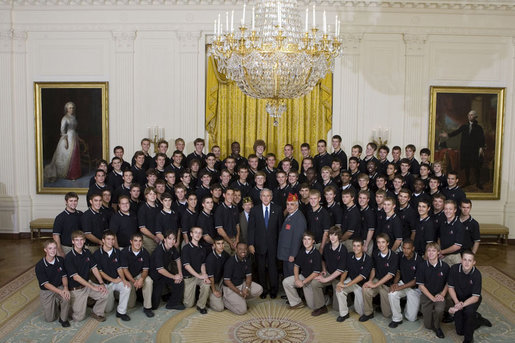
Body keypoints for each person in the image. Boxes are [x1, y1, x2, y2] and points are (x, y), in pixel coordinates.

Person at [64, 230, 108, 322]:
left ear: (84, 241)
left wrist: (101, 283)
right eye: (77, 240)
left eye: (81, 240)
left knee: (105, 293)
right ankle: (66, 307)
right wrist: (93, 287)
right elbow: (76, 277)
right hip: (76, 289)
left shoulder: (87, 252)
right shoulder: (69, 257)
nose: (79, 242)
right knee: (78, 318)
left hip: (87, 284)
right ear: (73, 241)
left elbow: (94, 268)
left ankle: (97, 312)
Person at [248, 189, 283, 299]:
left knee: (273, 269)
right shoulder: (254, 210)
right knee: (261, 269)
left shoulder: (278, 209)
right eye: (263, 196)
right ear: (260, 197)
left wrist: (280, 246)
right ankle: (263, 290)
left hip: (274, 245)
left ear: (271, 197)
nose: (266, 198)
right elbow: (251, 229)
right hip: (259, 245)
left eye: (268, 196)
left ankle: (273, 290)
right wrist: (250, 244)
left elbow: (280, 230)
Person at [282, 232, 327, 316]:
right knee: (286, 282)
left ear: (313, 241)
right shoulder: (302, 251)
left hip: (311, 279)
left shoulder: (316, 254)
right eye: (305, 239)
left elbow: (315, 273)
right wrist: (296, 279)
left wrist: (303, 282)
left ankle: (326, 299)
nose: (306, 241)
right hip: (303, 276)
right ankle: (296, 303)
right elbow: (296, 266)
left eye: (309, 239)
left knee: (312, 306)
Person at [442, 110, 486, 189]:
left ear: (475, 117)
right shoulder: (464, 126)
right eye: (469, 115)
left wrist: (481, 148)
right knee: (466, 166)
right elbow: (457, 132)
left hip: (474, 150)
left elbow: (482, 138)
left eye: (472, 115)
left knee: (476, 166)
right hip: (465, 150)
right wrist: (448, 135)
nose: (470, 116)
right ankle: (467, 181)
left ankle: (478, 183)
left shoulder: (479, 128)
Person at [93, 231, 132, 321]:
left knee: (127, 287)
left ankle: (121, 312)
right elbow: (100, 272)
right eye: (108, 239)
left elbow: (119, 268)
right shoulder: (97, 254)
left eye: (112, 239)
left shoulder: (118, 252)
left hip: (116, 280)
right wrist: (112, 280)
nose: (111, 241)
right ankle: (110, 299)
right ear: (103, 240)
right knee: (108, 310)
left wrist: (123, 279)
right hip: (105, 283)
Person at [360, 233, 398, 322]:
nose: (381, 245)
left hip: (387, 284)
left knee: (387, 315)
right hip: (377, 280)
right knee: (365, 288)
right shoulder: (375, 253)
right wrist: (370, 281)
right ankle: (368, 313)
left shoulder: (394, 256)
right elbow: (373, 268)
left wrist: (375, 285)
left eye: (383, 242)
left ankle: (384, 307)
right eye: (378, 242)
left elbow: (390, 275)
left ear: (388, 243)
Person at [448, 251, 484, 343]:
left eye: (470, 260)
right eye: (465, 260)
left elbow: (475, 297)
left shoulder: (477, 274)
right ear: (461, 260)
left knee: (468, 313)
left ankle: (469, 339)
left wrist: (460, 306)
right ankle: (476, 318)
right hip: (458, 298)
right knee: (460, 331)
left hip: (471, 299)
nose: (467, 263)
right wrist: (456, 302)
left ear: (474, 262)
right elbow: (450, 287)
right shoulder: (454, 269)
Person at [416, 242, 450, 339]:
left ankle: (438, 327)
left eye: (434, 251)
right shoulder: (422, 266)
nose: (431, 253)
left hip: (439, 294)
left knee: (439, 310)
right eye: (429, 251)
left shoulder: (445, 266)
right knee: (428, 325)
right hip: (427, 295)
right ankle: (436, 317)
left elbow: (448, 283)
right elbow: (421, 286)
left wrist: (442, 294)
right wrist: (432, 298)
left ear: (438, 253)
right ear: (426, 252)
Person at [35, 239, 71, 327]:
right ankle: (55, 306)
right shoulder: (40, 265)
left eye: (54, 248)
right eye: (50, 248)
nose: (53, 251)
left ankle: (63, 319)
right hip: (47, 290)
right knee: (50, 319)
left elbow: (64, 276)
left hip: (59, 286)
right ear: (45, 250)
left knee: (66, 297)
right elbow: (45, 284)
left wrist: (65, 288)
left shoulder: (60, 260)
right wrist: (59, 292)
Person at [314, 226, 347, 320]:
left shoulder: (343, 250)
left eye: (335, 235)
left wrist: (325, 279)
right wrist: (324, 269)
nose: (332, 237)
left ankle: (346, 300)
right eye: (331, 235)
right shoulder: (327, 247)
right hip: (328, 273)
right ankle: (322, 306)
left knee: (336, 308)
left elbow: (340, 270)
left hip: (338, 277)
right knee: (315, 283)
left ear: (339, 236)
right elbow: (323, 259)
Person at [336, 239, 373, 321]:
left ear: (363, 247)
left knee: (360, 311)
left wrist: (346, 285)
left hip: (361, 285)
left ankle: (366, 309)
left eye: (358, 246)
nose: (356, 248)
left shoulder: (368, 259)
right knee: (339, 289)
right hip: (351, 280)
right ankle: (344, 314)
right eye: (354, 246)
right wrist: (341, 282)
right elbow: (345, 270)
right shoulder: (350, 255)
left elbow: (361, 277)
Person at [387, 239, 422, 328]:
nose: (405, 251)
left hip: (414, 288)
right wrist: (395, 284)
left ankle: (410, 307)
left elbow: (415, 281)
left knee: (411, 318)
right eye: (404, 248)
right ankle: (397, 318)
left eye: (408, 248)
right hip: (403, 282)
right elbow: (398, 272)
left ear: (413, 248)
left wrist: (400, 287)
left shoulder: (419, 260)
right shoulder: (400, 256)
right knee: (392, 293)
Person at [44, 102, 82, 182]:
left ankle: (75, 174)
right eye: (69, 108)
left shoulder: (74, 117)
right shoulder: (65, 118)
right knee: (68, 156)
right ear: (67, 109)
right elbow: (62, 130)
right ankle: (69, 175)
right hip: (68, 138)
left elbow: (75, 129)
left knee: (75, 155)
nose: (71, 109)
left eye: (72, 108)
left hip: (74, 137)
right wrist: (66, 141)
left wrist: (77, 137)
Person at [222, 243, 263, 315]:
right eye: (240, 249)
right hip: (230, 288)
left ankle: (241, 299)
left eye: (245, 249)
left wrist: (246, 288)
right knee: (242, 311)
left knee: (259, 289)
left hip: (241, 284)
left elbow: (249, 276)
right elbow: (227, 281)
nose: (243, 251)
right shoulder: (230, 262)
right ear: (236, 250)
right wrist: (239, 292)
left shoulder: (247, 260)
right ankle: (225, 301)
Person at [120, 232, 154, 318]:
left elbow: (145, 270)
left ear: (142, 242)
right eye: (135, 241)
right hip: (129, 277)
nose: (138, 243)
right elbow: (125, 270)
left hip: (139, 275)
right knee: (131, 305)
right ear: (131, 241)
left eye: (140, 241)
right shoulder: (124, 252)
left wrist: (141, 279)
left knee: (149, 281)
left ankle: (147, 307)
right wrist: (134, 281)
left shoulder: (145, 253)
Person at [149, 230, 185, 310]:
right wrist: (174, 277)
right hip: (155, 276)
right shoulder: (159, 251)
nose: (172, 241)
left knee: (180, 281)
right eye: (170, 238)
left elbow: (178, 259)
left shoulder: (172, 248)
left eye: (174, 239)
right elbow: (160, 270)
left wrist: (180, 273)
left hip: (164, 272)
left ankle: (172, 303)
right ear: (164, 239)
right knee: (154, 306)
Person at [181, 226, 211, 314]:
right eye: (195, 232)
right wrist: (199, 276)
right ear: (191, 234)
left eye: (200, 233)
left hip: (199, 275)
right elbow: (187, 266)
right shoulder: (186, 248)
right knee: (188, 304)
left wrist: (204, 275)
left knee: (206, 283)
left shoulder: (202, 248)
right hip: (189, 277)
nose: (198, 234)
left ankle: (201, 305)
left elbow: (202, 264)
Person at [277, 193, 307, 277]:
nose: (289, 207)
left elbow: (297, 239)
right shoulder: (290, 215)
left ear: (297, 206)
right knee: (287, 275)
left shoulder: (299, 218)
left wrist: (293, 254)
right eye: (287, 204)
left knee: (291, 277)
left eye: (292, 204)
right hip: (286, 253)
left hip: (291, 255)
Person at [53, 192, 82, 257]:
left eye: (75, 201)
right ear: (66, 202)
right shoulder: (60, 217)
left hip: (79, 246)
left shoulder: (80, 214)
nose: (73, 203)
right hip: (66, 248)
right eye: (71, 201)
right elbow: (56, 236)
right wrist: (60, 251)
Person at [206, 237, 230, 312]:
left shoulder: (225, 254)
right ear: (214, 245)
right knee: (220, 308)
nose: (221, 246)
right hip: (211, 283)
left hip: (220, 280)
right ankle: (208, 299)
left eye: (222, 243)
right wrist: (214, 290)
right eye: (218, 244)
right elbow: (211, 277)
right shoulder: (210, 259)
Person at [138, 187, 163, 254]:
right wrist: (154, 237)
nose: (153, 196)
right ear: (146, 196)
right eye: (150, 194)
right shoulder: (143, 209)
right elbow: (142, 228)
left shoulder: (159, 207)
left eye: (154, 194)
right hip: (148, 238)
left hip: (159, 237)